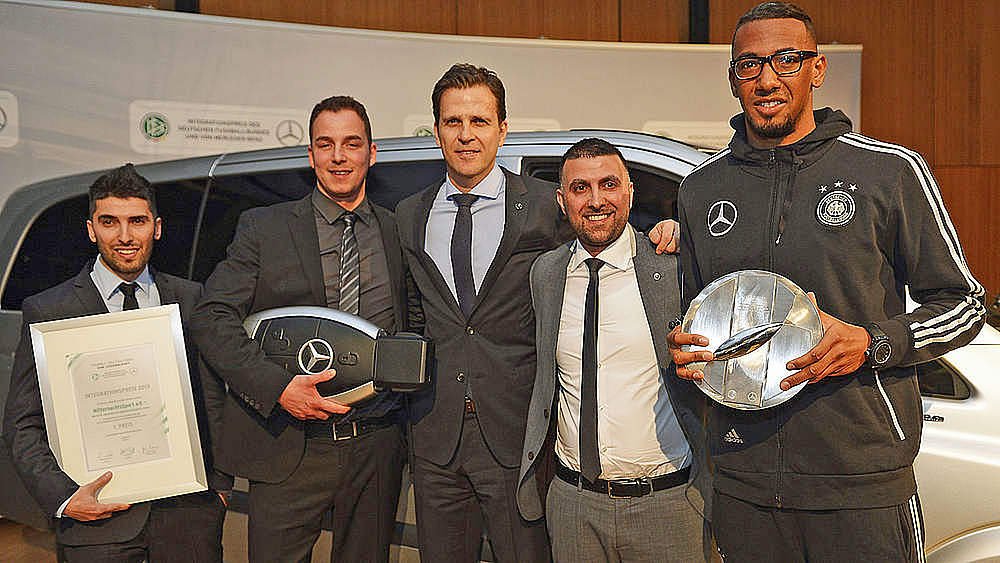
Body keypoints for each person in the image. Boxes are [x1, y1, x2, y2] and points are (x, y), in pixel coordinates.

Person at [669, 3, 987, 561]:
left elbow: (965, 304)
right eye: (749, 64)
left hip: (861, 483)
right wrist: (688, 346)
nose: (767, 79)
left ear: (817, 69)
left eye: (786, 60)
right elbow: (698, 315)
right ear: (733, 78)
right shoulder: (701, 188)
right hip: (744, 483)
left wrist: (871, 343)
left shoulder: (889, 171)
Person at [396, 63, 679, 562]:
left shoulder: (548, 205)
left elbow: (605, 234)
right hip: (436, 439)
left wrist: (670, 230)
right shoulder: (409, 214)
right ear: (436, 130)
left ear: (502, 129)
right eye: (453, 121)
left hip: (517, 441)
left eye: (479, 121)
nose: (466, 135)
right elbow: (412, 315)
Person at [189, 96, 421, 563]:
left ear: (372, 153)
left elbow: (416, 324)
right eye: (326, 144)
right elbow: (211, 318)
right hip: (289, 446)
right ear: (310, 154)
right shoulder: (264, 228)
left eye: (351, 144)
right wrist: (277, 389)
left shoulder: (399, 230)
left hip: (376, 445)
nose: (339, 156)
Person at [3, 164, 230, 562]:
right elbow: (22, 423)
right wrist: (64, 498)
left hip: (187, 518)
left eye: (137, 221)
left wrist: (219, 487)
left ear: (156, 227)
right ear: (91, 230)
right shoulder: (49, 309)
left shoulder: (191, 298)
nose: (124, 236)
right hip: (95, 520)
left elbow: (212, 400)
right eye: (110, 222)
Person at [516, 138, 710, 562]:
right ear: (562, 200)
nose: (596, 200)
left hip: (667, 505)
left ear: (630, 192)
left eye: (608, 184)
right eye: (580, 188)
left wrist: (691, 237)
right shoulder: (546, 274)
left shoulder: (672, 266)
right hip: (573, 506)